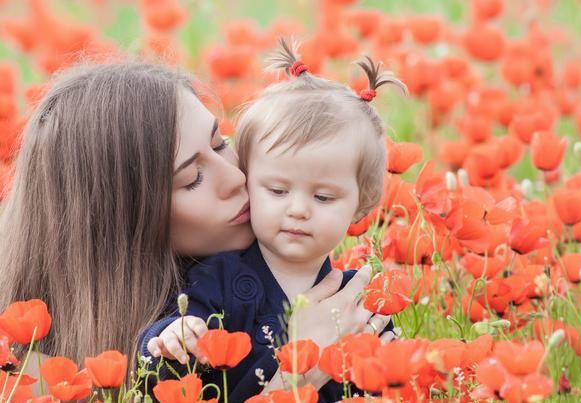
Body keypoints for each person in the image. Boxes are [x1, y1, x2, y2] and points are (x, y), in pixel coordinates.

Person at [0, 62, 377, 380]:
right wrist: (297, 371)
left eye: (220, 144)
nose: (236, 178)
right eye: (191, 178)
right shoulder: (26, 376)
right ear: (124, 225)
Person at [141, 39, 406, 402]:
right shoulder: (217, 279)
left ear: (364, 205)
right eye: (277, 191)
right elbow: (161, 361)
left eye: (323, 197)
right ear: (248, 179)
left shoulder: (359, 299)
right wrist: (174, 334)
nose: (298, 209)